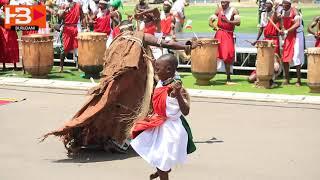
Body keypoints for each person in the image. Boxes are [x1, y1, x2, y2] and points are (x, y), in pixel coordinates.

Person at [41, 20, 199, 155]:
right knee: (136, 110)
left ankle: (105, 137)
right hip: (135, 81)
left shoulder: (115, 40)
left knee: (111, 107)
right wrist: (185, 46)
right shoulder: (139, 35)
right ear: (131, 28)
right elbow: (165, 43)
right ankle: (122, 140)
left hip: (116, 81)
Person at [131, 53, 195, 180]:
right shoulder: (163, 80)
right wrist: (154, 62)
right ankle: (162, 170)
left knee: (162, 158)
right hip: (159, 123)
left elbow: (186, 111)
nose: (156, 71)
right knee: (154, 150)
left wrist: (177, 95)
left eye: (158, 69)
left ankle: (162, 172)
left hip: (170, 130)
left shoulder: (175, 88)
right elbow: (161, 70)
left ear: (169, 70)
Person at [249, 0, 281, 87]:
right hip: (265, 39)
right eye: (265, 5)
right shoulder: (263, 14)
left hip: (274, 40)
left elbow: (277, 18)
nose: (266, 6)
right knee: (263, 59)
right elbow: (261, 29)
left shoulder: (276, 14)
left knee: (274, 61)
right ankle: (262, 77)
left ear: (271, 6)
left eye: (268, 5)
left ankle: (272, 79)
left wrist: (275, 10)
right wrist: (256, 40)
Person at [209, 0, 240, 85]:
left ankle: (228, 78)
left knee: (227, 55)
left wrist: (228, 21)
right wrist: (213, 26)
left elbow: (238, 23)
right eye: (222, 2)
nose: (222, 4)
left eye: (224, 2)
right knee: (215, 54)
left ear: (228, 2)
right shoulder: (218, 9)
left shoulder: (234, 10)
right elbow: (210, 21)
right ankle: (208, 75)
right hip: (219, 33)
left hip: (228, 34)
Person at [279, 0, 304, 86]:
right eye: (282, 4)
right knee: (285, 56)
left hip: (297, 35)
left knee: (296, 56)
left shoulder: (295, 11)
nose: (283, 6)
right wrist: (282, 31)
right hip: (288, 36)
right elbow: (282, 25)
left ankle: (299, 80)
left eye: (285, 4)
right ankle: (286, 79)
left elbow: (297, 24)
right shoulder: (282, 11)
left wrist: (286, 31)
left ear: (289, 4)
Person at [58, 0, 84, 72]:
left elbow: (82, 16)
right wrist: (64, 10)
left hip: (75, 28)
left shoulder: (78, 5)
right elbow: (60, 18)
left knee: (77, 48)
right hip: (66, 29)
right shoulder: (63, 5)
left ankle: (79, 66)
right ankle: (61, 67)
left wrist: (85, 26)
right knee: (64, 48)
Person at [0, 0, 19, 70]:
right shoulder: (1, 11)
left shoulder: (12, 9)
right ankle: (4, 65)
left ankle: (14, 65)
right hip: (4, 30)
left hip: (10, 31)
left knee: (13, 46)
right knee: (4, 47)